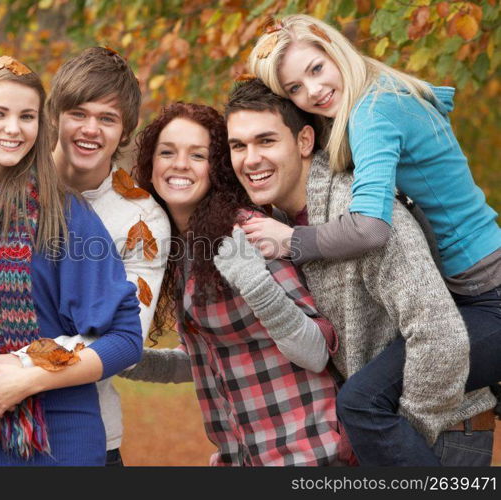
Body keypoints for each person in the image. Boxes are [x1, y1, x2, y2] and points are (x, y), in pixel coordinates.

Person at [223, 78, 496, 465]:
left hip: (439, 432)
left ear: (303, 141)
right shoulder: (276, 223)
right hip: (385, 433)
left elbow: (439, 334)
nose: (250, 159)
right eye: (239, 145)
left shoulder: (357, 210)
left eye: (266, 141)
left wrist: (400, 432)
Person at [0, 56, 143, 466]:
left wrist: (26, 370)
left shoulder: (65, 214)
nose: (13, 128)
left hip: (61, 440)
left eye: (27, 116)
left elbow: (125, 339)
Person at [125, 101, 351, 466]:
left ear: (217, 169)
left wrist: (256, 285)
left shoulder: (244, 232)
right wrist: (125, 358)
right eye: (167, 152)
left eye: (197, 155)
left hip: (310, 454)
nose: (179, 164)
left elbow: (316, 351)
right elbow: (210, 356)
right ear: (150, 165)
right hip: (244, 458)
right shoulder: (183, 249)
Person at [46, 47, 170, 466]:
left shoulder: (141, 219)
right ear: (55, 115)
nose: (90, 130)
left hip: (90, 437)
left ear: (125, 131)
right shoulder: (8, 186)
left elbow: (124, 336)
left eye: (107, 119)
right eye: (78, 113)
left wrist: (17, 370)